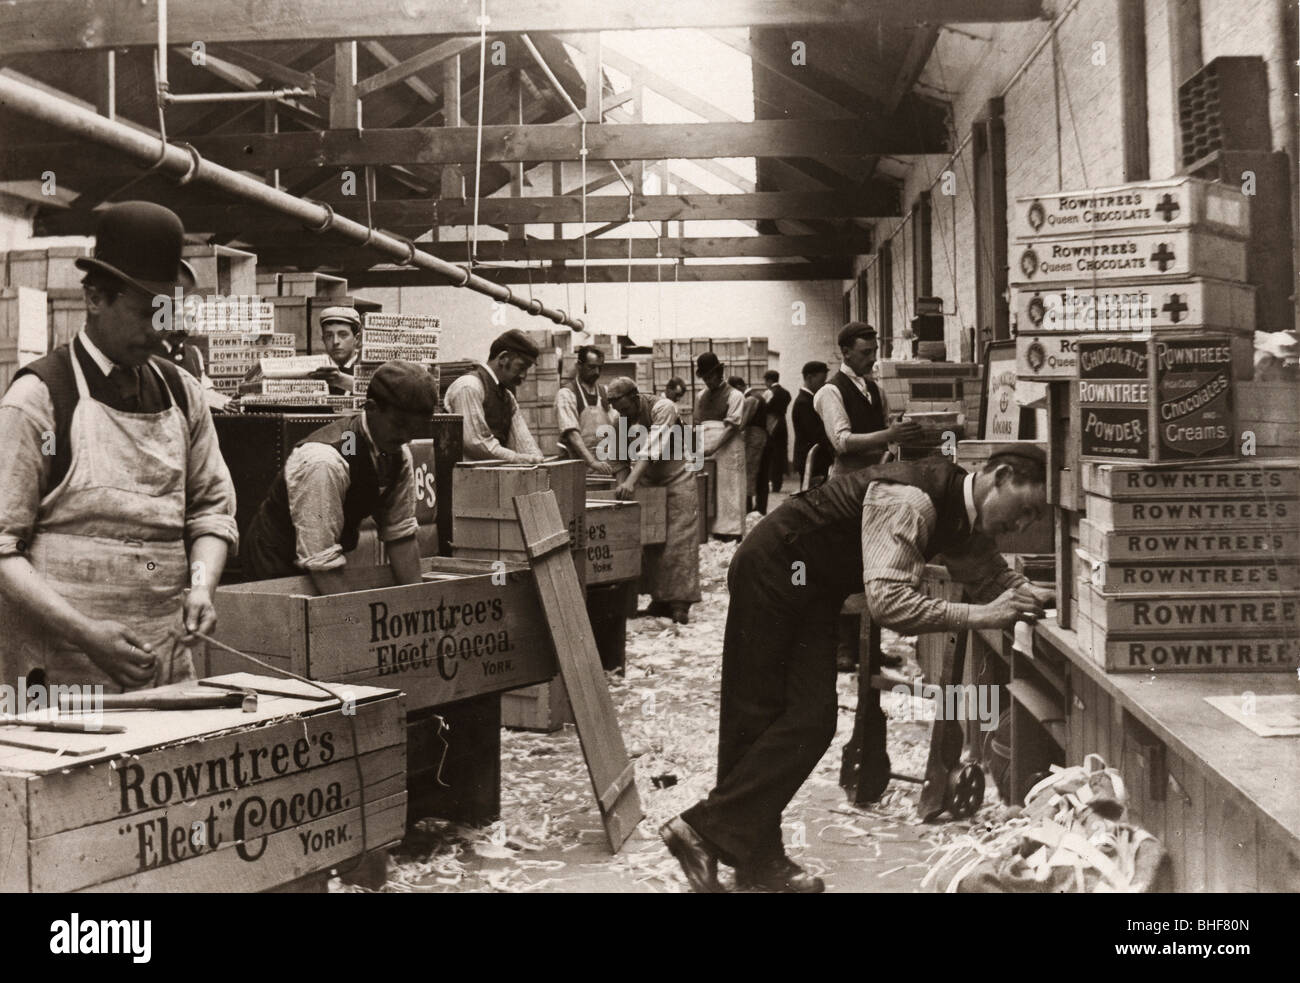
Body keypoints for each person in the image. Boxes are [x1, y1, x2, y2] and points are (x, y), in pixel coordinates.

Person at [660, 448, 1053, 893]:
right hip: (775, 566)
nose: (1022, 525)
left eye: (1033, 518)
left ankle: (737, 850)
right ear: (999, 477)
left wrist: (1044, 598)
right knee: (757, 717)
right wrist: (983, 616)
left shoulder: (962, 513)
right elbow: (892, 605)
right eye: (1024, 511)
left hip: (810, 582)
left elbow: (989, 577)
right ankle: (727, 846)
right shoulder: (912, 500)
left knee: (812, 719)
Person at [0, 201, 238, 691]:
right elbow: (3, 550)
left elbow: (213, 512)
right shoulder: (39, 398)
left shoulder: (182, 394)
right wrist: (87, 635)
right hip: (63, 675)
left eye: (166, 312)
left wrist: (201, 586)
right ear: (94, 298)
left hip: (165, 665)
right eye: (143, 312)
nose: (158, 331)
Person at [240, 361, 436, 591]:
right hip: (274, 567)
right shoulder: (324, 462)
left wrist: (418, 603)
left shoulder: (396, 453)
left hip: (321, 563)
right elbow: (321, 561)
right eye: (399, 425)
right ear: (370, 408)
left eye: (415, 428)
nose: (407, 437)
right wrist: (353, 620)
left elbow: (400, 535)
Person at [606, 377, 701, 624]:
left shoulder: (663, 407)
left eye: (625, 408)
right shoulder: (620, 420)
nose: (622, 413)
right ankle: (659, 600)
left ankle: (680, 603)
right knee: (652, 542)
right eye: (618, 410)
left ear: (635, 397)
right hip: (647, 480)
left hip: (677, 476)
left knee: (679, 540)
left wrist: (631, 482)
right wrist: (622, 489)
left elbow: (652, 446)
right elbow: (617, 459)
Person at [815, 322, 921, 480]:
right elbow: (842, 442)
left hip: (878, 475)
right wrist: (889, 434)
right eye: (866, 353)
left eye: (875, 351)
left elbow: (887, 427)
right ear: (846, 353)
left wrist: (900, 428)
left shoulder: (876, 390)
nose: (873, 358)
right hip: (848, 482)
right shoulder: (830, 391)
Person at [442, 328, 544, 464]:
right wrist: (517, 458)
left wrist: (537, 460)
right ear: (503, 358)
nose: (524, 375)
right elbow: (477, 443)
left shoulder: (507, 396)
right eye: (521, 367)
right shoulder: (469, 386)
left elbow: (523, 441)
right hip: (460, 479)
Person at [695, 353, 746, 541]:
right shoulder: (700, 396)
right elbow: (697, 423)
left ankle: (731, 532)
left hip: (728, 448)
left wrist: (714, 447)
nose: (708, 381)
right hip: (706, 447)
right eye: (704, 378)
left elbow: (732, 427)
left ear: (719, 373)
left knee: (729, 489)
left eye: (710, 376)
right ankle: (711, 530)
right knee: (709, 489)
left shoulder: (735, 395)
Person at [557, 345, 617, 474]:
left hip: (605, 467)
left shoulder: (605, 392)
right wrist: (592, 462)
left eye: (599, 368)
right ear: (579, 365)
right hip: (577, 468)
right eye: (591, 367)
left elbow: (616, 425)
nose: (596, 372)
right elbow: (572, 434)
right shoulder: (567, 394)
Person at [731, 376, 768, 515]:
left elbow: (742, 422)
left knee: (749, 470)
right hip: (760, 436)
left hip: (754, 437)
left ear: (740, 386)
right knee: (758, 472)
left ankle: (748, 507)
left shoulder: (751, 399)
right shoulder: (757, 396)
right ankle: (758, 507)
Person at [792, 361, 831, 489]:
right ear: (809, 378)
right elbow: (816, 433)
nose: (824, 385)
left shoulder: (809, 400)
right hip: (812, 460)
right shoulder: (804, 402)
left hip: (815, 459)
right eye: (821, 381)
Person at [310, 306, 363, 395]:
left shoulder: (368, 370)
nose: (335, 342)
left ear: (357, 338)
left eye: (343, 335)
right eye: (329, 336)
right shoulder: (314, 371)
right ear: (323, 340)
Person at [760, 370, 791, 495]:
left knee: (771, 453)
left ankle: (772, 481)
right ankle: (778, 482)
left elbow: (763, 408)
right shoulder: (786, 393)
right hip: (782, 423)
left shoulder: (769, 393)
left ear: (769, 380)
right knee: (781, 452)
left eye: (765, 381)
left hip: (771, 424)